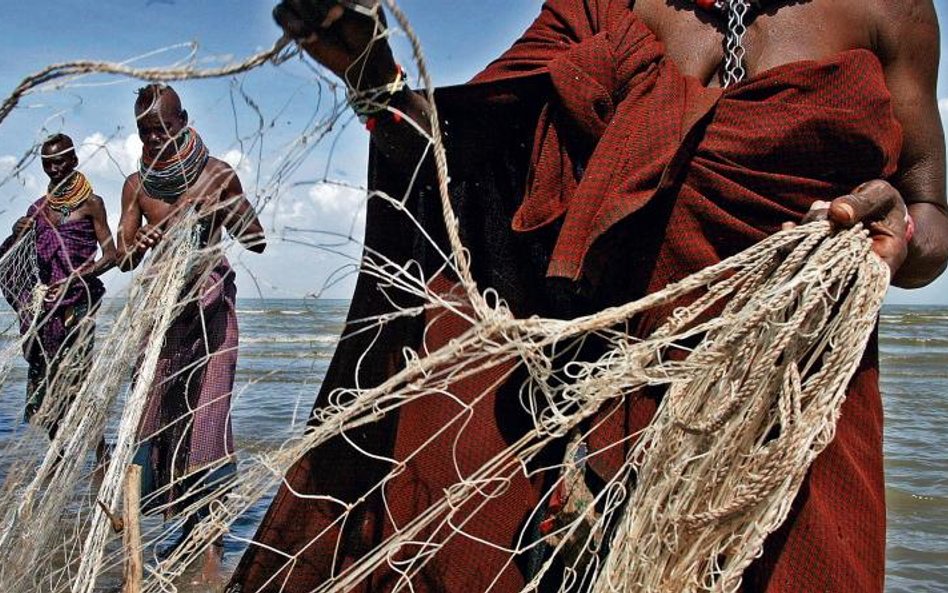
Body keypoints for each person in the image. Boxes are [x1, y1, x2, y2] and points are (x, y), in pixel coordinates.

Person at [230, 1, 948, 592]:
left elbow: (930, 216)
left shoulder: (894, 12)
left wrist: (900, 229)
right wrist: (372, 76)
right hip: (590, 410)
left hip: (791, 421)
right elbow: (463, 162)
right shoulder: (603, 4)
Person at [116, 83, 266, 581]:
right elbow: (125, 254)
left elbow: (257, 239)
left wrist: (215, 205)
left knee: (207, 427)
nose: (154, 139)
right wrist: (137, 240)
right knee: (152, 423)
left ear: (183, 122)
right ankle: (161, 532)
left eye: (162, 128)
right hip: (161, 318)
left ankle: (210, 554)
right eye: (145, 132)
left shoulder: (217, 174)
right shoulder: (137, 185)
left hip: (211, 313)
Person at [0, 133, 115, 440]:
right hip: (47, 307)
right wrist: (18, 231)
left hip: (78, 301)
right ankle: (56, 453)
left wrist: (74, 280)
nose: (54, 169)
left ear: (74, 161)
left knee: (79, 378)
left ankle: (100, 449)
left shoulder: (92, 204)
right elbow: (19, 259)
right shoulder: (38, 209)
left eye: (60, 161)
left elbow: (112, 255)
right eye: (48, 164)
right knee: (49, 382)